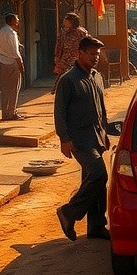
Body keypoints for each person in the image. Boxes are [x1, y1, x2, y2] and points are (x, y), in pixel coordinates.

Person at [54, 35, 111, 242]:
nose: (95, 57)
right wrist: (64, 139)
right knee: (99, 175)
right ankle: (69, 212)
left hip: (96, 136)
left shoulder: (96, 77)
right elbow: (59, 112)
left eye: (97, 54)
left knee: (94, 180)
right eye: (91, 53)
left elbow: (102, 109)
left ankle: (96, 226)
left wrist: (104, 132)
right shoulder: (68, 80)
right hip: (79, 138)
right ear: (80, 53)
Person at [0, 13, 25, 120]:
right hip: (12, 63)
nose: (18, 21)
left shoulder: (0, 32)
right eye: (17, 19)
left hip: (3, 62)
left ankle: (5, 113)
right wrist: (20, 65)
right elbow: (15, 52)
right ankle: (11, 113)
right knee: (14, 89)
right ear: (12, 21)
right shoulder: (11, 33)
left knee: (5, 89)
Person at [51, 11, 88, 92]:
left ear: (71, 22)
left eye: (65, 20)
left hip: (78, 59)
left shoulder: (81, 32)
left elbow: (86, 44)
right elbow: (59, 46)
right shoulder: (64, 33)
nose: (64, 21)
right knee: (63, 78)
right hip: (65, 60)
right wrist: (57, 58)